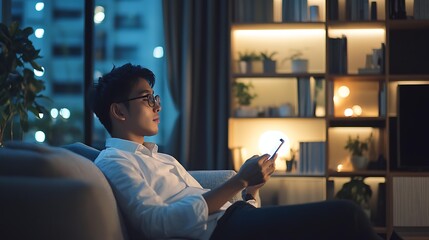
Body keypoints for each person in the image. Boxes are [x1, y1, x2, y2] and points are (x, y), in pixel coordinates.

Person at [90, 63, 382, 240]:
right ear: (118, 111)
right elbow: (156, 224)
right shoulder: (115, 161)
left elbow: (220, 209)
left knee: (344, 222)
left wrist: (250, 192)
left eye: (155, 97)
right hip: (227, 233)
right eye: (146, 98)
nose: (158, 105)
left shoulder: (162, 158)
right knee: (348, 215)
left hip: (237, 221)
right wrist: (238, 181)